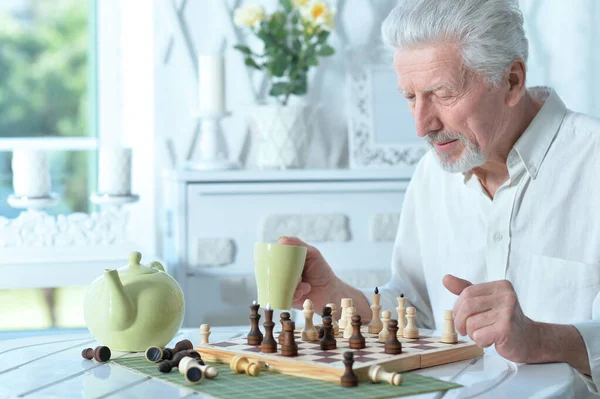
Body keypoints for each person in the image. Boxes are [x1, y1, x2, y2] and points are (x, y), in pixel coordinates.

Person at [280, 0, 600, 395]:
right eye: (410, 97)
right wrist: (336, 294)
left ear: (513, 81)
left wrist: (539, 339)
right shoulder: (433, 173)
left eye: (442, 94)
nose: (421, 126)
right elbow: (415, 313)